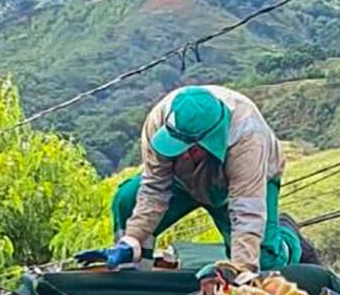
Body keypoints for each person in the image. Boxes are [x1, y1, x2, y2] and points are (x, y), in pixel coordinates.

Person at [77, 85, 303, 274]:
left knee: (263, 261)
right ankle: (133, 273)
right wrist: (131, 240)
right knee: (128, 200)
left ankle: (288, 238)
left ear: (210, 140)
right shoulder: (159, 121)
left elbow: (246, 211)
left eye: (188, 149)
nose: (180, 155)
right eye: (175, 146)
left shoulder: (247, 138)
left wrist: (240, 272)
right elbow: (155, 189)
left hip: (244, 184)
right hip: (184, 181)